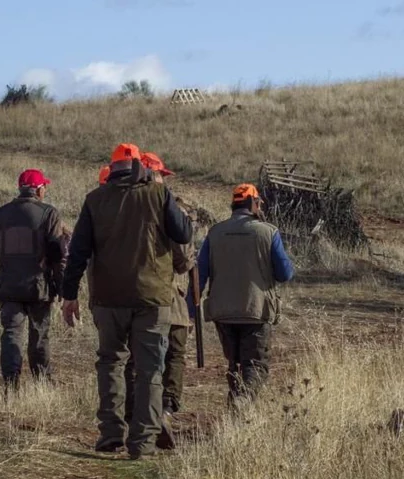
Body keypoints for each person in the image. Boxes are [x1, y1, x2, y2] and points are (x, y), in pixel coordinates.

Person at [61, 143, 192, 460]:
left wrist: (69, 296)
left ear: (113, 168)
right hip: (152, 298)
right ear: (140, 168)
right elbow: (184, 233)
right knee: (150, 370)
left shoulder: (95, 200)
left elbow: (77, 252)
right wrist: (162, 191)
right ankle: (143, 442)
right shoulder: (158, 195)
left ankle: (110, 433)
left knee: (111, 363)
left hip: (108, 299)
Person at [195, 183, 294, 406]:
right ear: (253, 203)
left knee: (235, 362)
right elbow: (285, 274)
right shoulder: (268, 232)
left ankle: (237, 404)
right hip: (256, 310)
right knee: (255, 364)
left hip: (223, 312)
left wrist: (191, 310)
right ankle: (244, 399)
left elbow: (199, 275)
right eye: (258, 202)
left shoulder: (215, 232)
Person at [122, 152, 195, 450]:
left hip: (129, 295)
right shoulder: (169, 207)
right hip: (169, 299)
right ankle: (163, 411)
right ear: (154, 175)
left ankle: (133, 414)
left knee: (136, 359)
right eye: (162, 174)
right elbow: (182, 261)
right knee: (173, 356)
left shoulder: (124, 205)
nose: (164, 179)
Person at [0, 169, 67, 395]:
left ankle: (11, 385)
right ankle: (42, 384)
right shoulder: (49, 214)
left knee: (11, 334)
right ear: (38, 189)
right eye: (44, 186)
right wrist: (63, 287)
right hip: (39, 289)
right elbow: (58, 255)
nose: (45, 189)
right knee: (39, 336)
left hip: (8, 288)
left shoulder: (1, 214)